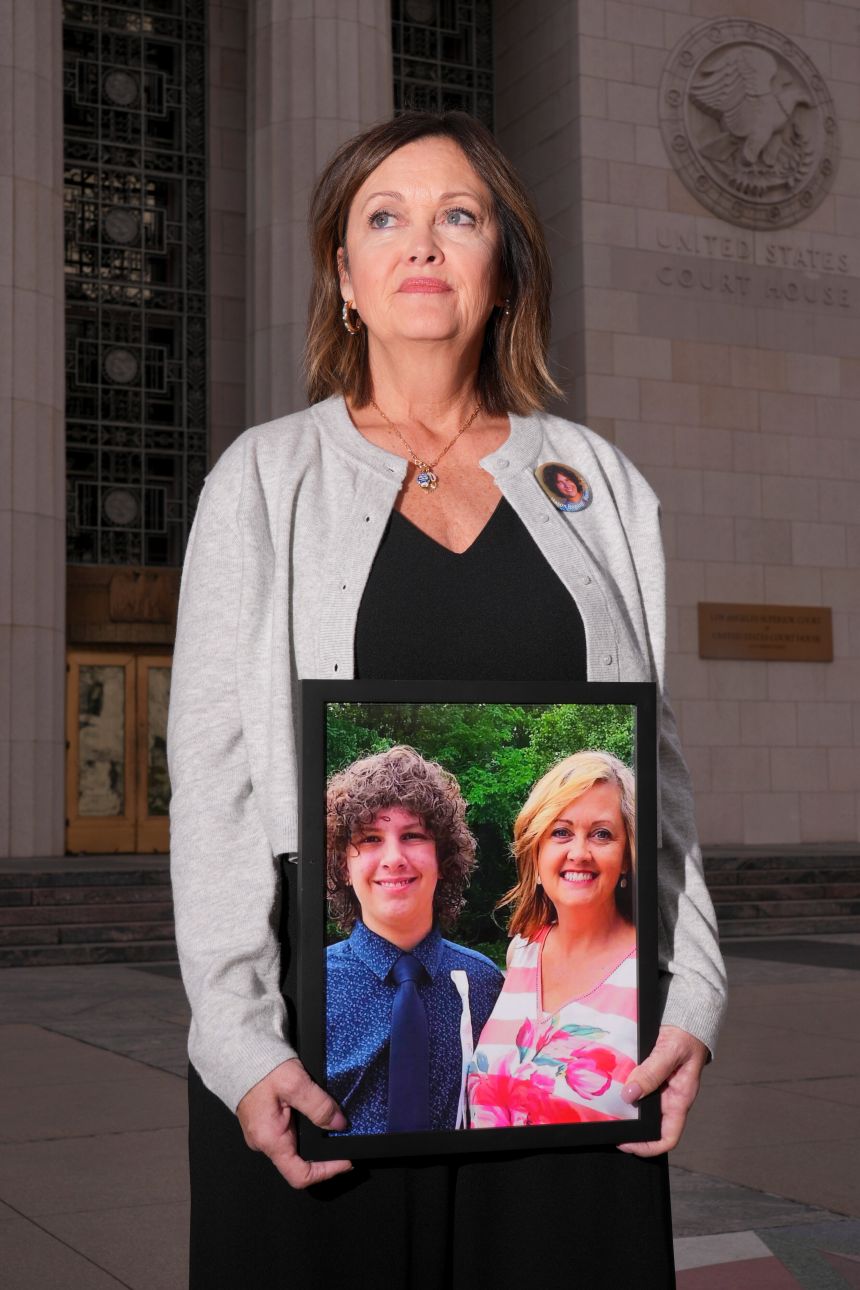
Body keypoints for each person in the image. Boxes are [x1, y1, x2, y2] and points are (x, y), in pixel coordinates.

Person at [167, 109, 727, 1288]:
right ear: (345, 276)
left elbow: (655, 776)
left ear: (501, 267)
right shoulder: (264, 480)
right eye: (386, 218)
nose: (421, 243)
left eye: (456, 217)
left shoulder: (601, 487)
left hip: (568, 1066)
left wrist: (694, 1000)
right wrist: (236, 1040)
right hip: (304, 1049)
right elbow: (212, 786)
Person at [325, 745, 502, 1135]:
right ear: (344, 865)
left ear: (444, 858)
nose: (394, 857)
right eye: (370, 839)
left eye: (413, 835)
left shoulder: (487, 984)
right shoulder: (310, 987)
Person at [468, 751, 638, 1128]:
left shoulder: (652, 969)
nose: (579, 852)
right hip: (491, 1186)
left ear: (626, 857)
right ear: (537, 851)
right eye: (560, 832)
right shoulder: (521, 953)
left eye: (602, 834)